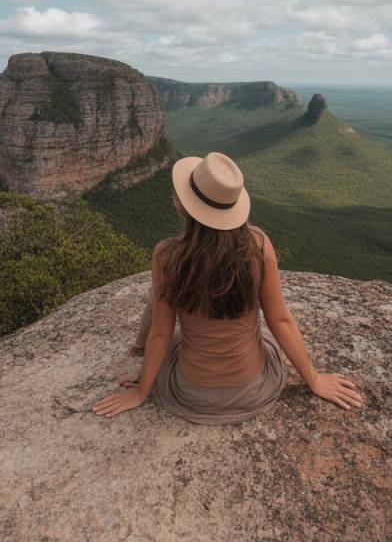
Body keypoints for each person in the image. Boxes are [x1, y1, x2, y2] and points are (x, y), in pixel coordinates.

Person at [93, 151, 363, 422]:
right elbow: (280, 320)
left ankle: (139, 349)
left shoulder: (166, 256)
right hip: (255, 391)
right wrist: (314, 380)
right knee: (262, 336)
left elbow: (162, 333)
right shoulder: (258, 245)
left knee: (160, 298)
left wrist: (141, 392)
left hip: (192, 395)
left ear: (185, 206)